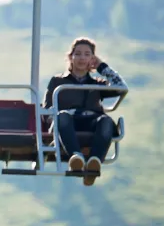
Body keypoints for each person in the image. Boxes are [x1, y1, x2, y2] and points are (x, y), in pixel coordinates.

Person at [42, 37, 128, 186]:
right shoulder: (58, 81)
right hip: (68, 121)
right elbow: (48, 107)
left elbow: (121, 87)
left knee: (106, 121)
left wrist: (102, 67)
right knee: (62, 116)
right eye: (78, 54)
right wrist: (52, 119)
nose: (82, 58)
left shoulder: (97, 84)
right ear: (71, 57)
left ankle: (95, 161)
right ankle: (76, 157)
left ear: (92, 59)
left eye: (87, 54)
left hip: (92, 121)